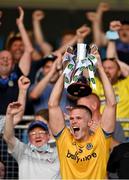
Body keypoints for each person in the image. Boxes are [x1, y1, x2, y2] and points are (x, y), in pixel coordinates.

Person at [48, 49, 116, 179]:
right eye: (72, 118)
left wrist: (100, 68)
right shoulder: (64, 140)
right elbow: (52, 105)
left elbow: (111, 104)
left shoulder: (100, 139)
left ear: (90, 122)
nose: (73, 121)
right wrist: (66, 71)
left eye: (78, 118)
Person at [3, 102, 60, 179]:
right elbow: (8, 138)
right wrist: (9, 116)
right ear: (29, 137)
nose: (37, 136)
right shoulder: (22, 151)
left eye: (41, 132)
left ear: (48, 135)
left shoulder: (60, 149)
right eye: (33, 133)